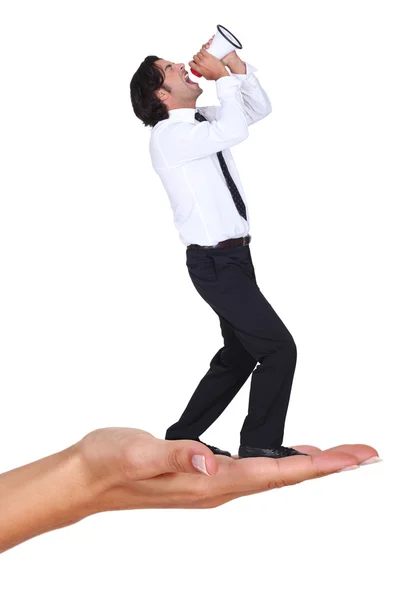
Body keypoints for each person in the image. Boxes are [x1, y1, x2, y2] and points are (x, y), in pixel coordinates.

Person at [130, 36, 307, 459]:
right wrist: (221, 77)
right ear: (161, 93)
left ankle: (182, 437)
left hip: (235, 258)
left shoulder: (198, 123)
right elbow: (234, 129)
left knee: (241, 353)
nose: (183, 66)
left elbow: (255, 111)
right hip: (214, 263)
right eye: (173, 68)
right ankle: (260, 445)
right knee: (279, 349)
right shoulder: (169, 137)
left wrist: (233, 64)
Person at [0, 426, 381, 553]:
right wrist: (88, 478)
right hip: (218, 258)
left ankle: (190, 430)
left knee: (253, 351)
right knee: (273, 349)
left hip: (225, 258)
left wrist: (86, 474)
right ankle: (250, 440)